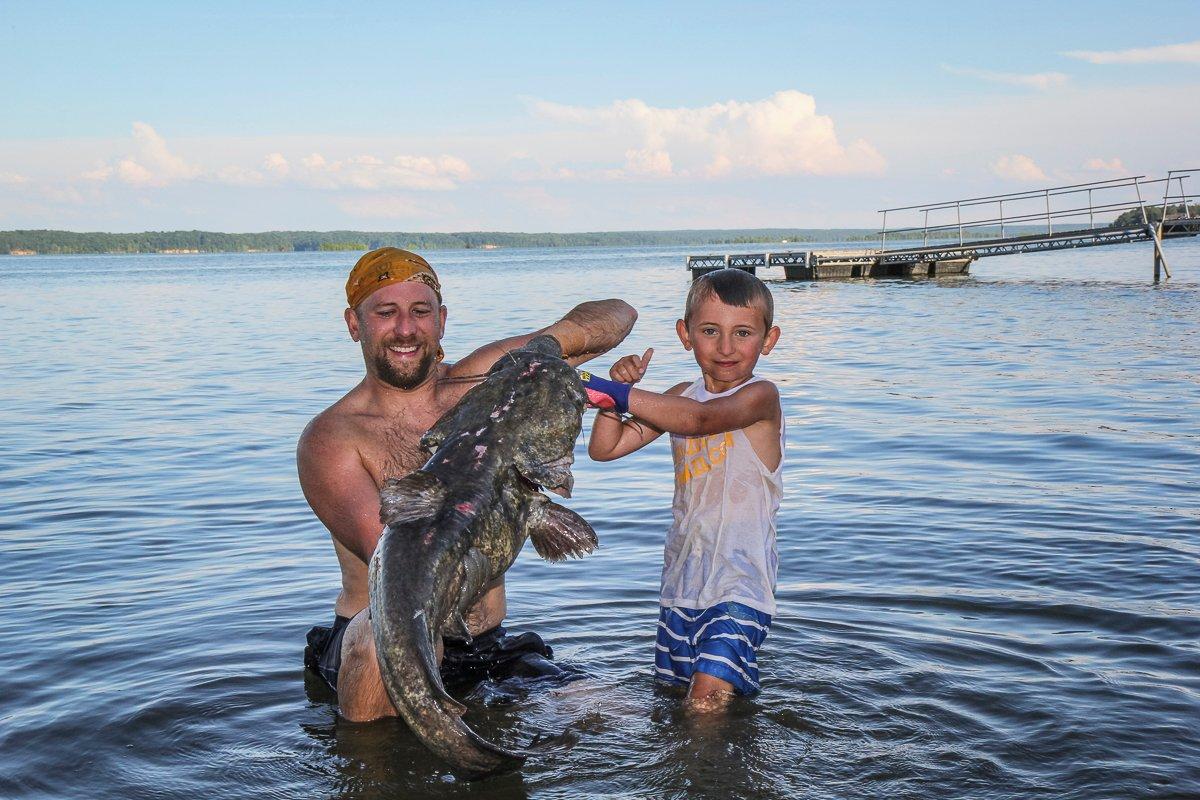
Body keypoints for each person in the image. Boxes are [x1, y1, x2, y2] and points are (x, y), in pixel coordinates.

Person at [299, 246, 636, 722]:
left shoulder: (486, 380)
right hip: (385, 634)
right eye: (385, 313)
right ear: (355, 324)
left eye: (421, 311)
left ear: (441, 321)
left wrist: (553, 341)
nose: (406, 329)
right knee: (382, 642)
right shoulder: (331, 438)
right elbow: (407, 571)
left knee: (621, 716)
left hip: (486, 647)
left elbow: (619, 316)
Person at [585, 268, 783, 712]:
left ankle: (709, 779)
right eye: (710, 331)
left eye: (743, 333)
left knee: (705, 699)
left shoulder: (760, 397)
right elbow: (605, 448)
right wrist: (617, 397)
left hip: (740, 581)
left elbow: (700, 420)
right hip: (682, 581)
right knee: (678, 699)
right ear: (685, 334)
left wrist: (610, 393)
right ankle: (690, 764)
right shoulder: (680, 395)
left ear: (768, 341)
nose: (726, 347)